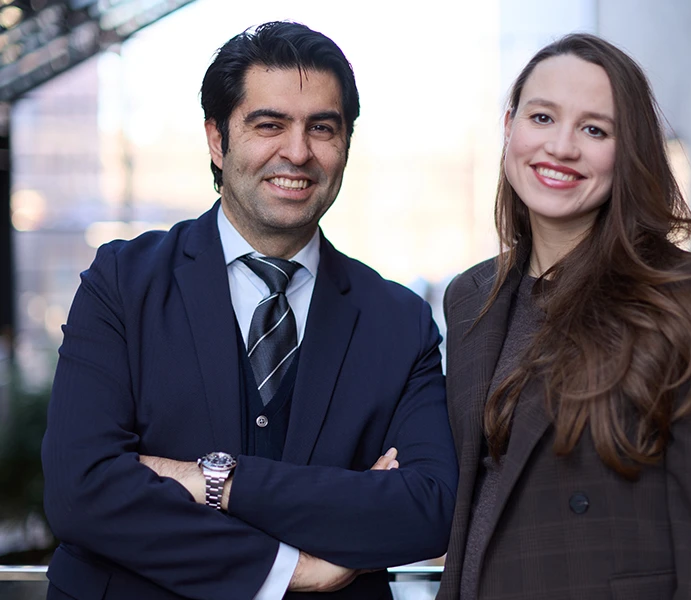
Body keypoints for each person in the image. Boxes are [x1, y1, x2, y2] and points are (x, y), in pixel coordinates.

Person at [41, 21, 457, 600]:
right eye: (269, 125)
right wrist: (292, 566)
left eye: (323, 128)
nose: (298, 151)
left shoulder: (399, 319)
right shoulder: (123, 282)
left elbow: (427, 509)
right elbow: (80, 492)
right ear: (217, 139)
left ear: (345, 145)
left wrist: (211, 480)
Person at [437, 33, 691, 600]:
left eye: (595, 129)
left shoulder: (685, 296)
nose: (561, 147)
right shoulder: (470, 297)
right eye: (542, 117)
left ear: (628, 149)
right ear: (510, 125)